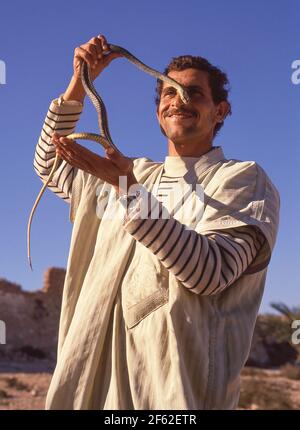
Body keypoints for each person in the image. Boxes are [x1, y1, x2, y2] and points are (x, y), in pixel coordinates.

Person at [34, 34, 280, 410]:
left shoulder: (242, 179)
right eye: (169, 93)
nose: (178, 100)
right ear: (158, 112)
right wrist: (79, 83)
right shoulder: (133, 173)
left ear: (221, 111)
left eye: (194, 93)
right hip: (94, 395)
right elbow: (49, 164)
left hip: (177, 397)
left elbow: (211, 271)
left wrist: (127, 189)